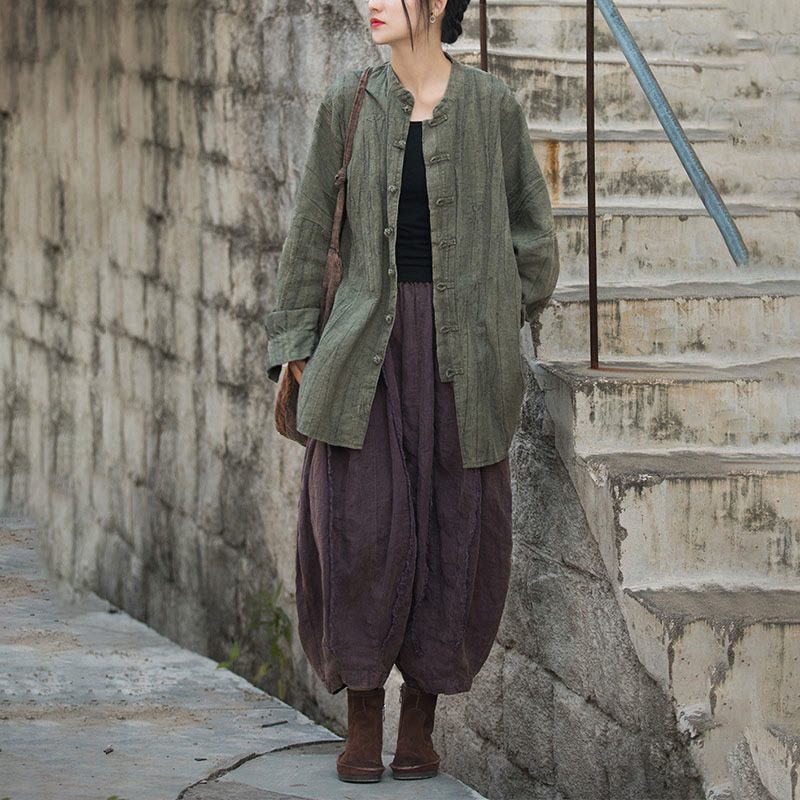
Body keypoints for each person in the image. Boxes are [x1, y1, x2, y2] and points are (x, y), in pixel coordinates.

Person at [263, 0, 559, 784]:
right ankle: (363, 715)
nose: (372, 5)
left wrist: (505, 315)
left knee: (455, 524)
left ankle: (420, 722)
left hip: (467, 351)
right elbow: (309, 229)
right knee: (355, 521)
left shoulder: (492, 107)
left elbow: (534, 234)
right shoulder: (348, 101)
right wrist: (294, 343)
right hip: (365, 345)